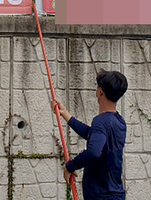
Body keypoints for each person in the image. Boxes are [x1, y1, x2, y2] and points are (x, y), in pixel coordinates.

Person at [53, 70, 128, 200]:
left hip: (100, 196)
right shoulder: (119, 121)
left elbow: (94, 152)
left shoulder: (100, 121)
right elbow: (92, 134)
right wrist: (65, 114)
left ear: (100, 92)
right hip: (116, 194)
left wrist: (70, 166)